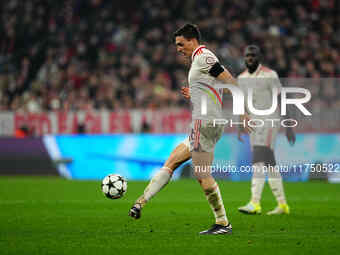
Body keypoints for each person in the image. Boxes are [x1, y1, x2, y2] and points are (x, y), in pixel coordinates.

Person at [129, 24, 248, 235]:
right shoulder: (198, 62)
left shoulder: (203, 56)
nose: (178, 48)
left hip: (206, 122)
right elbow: (215, 87)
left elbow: (230, 81)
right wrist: (195, 94)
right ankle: (140, 202)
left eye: (180, 44)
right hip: (204, 122)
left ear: (192, 40)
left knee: (202, 174)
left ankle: (222, 222)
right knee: (173, 160)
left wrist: (243, 111)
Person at [237, 45, 296, 215]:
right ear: (244, 57)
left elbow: (281, 98)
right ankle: (282, 204)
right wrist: (241, 124)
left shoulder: (270, 75)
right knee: (269, 163)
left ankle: (255, 202)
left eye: (253, 55)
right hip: (253, 124)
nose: (250, 58)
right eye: (247, 55)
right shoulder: (241, 78)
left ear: (259, 57)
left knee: (259, 158)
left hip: (270, 121)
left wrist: (289, 126)